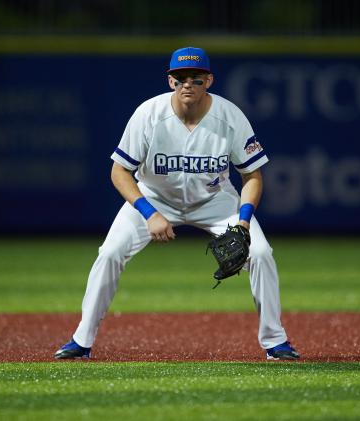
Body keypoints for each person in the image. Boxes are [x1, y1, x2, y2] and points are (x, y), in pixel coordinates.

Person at [55, 46, 299, 361]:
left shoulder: (230, 117)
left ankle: (275, 342)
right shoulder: (148, 114)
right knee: (110, 252)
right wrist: (149, 212)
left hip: (215, 201)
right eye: (180, 77)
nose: (188, 84)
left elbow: (252, 175)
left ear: (208, 80)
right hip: (154, 197)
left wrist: (242, 221)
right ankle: (81, 341)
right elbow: (119, 171)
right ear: (170, 81)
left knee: (261, 253)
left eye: (196, 78)